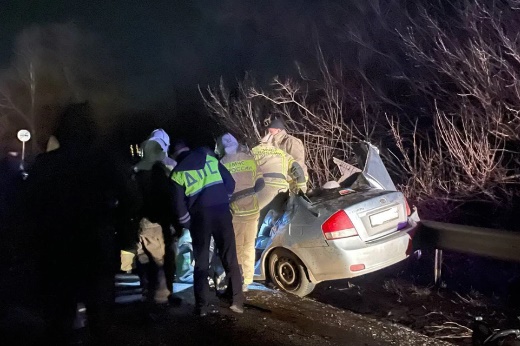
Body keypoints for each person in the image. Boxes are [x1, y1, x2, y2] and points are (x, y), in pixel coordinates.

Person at [6, 103, 118, 344]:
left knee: (59, 321)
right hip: (95, 249)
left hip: (57, 252)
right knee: (100, 319)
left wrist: (27, 245)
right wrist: (117, 229)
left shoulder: (45, 165)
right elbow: (131, 198)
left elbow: (26, 207)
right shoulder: (103, 162)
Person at [169, 139, 244, 316]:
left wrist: (188, 224)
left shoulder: (177, 174)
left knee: (201, 262)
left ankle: (202, 306)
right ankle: (237, 301)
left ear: (175, 156)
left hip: (200, 218)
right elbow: (230, 183)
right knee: (230, 257)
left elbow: (179, 207)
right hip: (222, 213)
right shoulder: (210, 160)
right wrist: (221, 199)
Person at [123, 129, 177, 304]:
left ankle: (147, 295)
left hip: (138, 222)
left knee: (143, 261)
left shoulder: (135, 168)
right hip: (159, 222)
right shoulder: (168, 167)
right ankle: (162, 298)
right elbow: (174, 196)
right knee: (161, 261)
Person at [216, 133, 264, 292]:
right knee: (249, 245)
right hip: (252, 210)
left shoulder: (222, 163)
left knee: (236, 247)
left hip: (234, 211)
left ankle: (238, 279)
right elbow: (261, 183)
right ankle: (248, 279)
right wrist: (249, 192)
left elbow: (220, 190)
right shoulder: (249, 159)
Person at [252, 138, 306, 224]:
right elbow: (298, 171)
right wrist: (302, 191)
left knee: (255, 221)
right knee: (279, 222)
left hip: (263, 189)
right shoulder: (282, 153)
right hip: (282, 190)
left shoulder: (252, 152)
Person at [263, 117, 308, 192]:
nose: (268, 134)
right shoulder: (271, 144)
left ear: (278, 130)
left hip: (295, 180)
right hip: (281, 184)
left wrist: (299, 182)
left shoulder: (292, 141)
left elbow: (298, 163)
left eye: (271, 132)